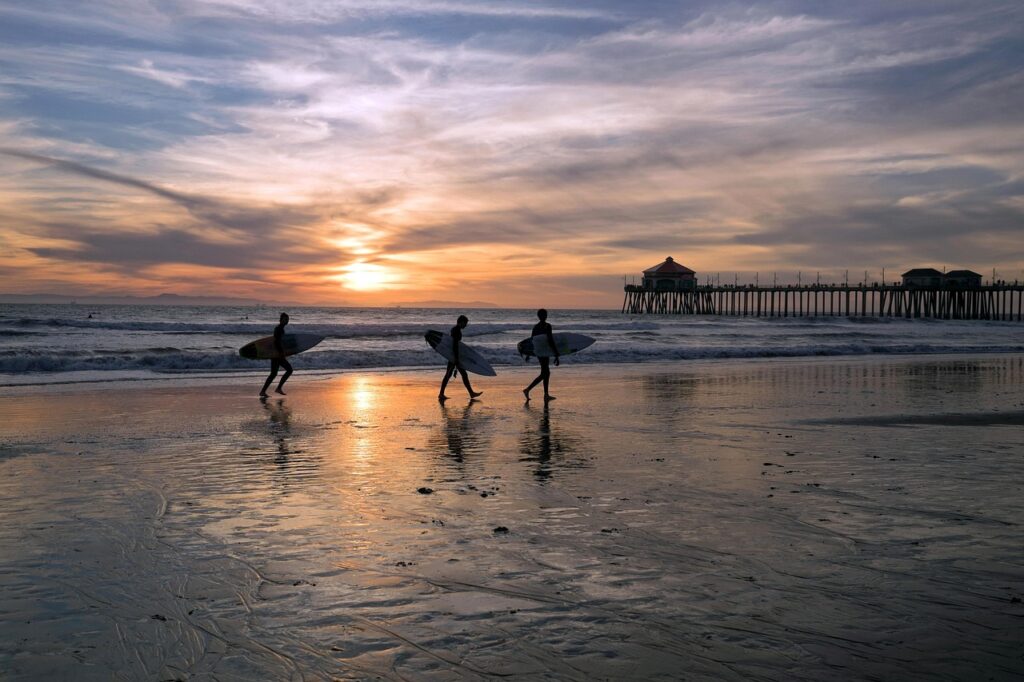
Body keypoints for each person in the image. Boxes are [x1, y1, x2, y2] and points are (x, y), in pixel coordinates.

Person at [439, 315, 482, 402]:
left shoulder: (455, 329)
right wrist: (455, 358)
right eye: (465, 323)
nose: (465, 325)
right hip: (454, 356)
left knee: (454, 374)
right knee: (449, 374)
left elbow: (455, 344)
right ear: (461, 322)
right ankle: (441, 394)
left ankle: (470, 393)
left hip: (453, 355)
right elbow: (454, 345)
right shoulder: (456, 331)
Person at [523, 308, 559, 402]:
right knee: (545, 373)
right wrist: (556, 354)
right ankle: (528, 390)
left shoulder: (536, 327)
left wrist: (529, 353)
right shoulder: (547, 326)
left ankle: (545, 394)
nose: (545, 316)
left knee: (546, 373)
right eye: (544, 315)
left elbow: (532, 341)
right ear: (543, 316)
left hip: (540, 352)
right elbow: (550, 341)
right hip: (544, 352)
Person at [260, 313, 293, 398]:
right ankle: (278, 388)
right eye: (285, 319)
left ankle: (263, 391)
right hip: (277, 354)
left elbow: (279, 341)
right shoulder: (279, 329)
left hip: (275, 354)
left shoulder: (280, 328)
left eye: (287, 319)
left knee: (273, 373)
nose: (287, 321)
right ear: (281, 320)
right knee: (289, 370)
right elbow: (277, 342)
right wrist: (281, 353)